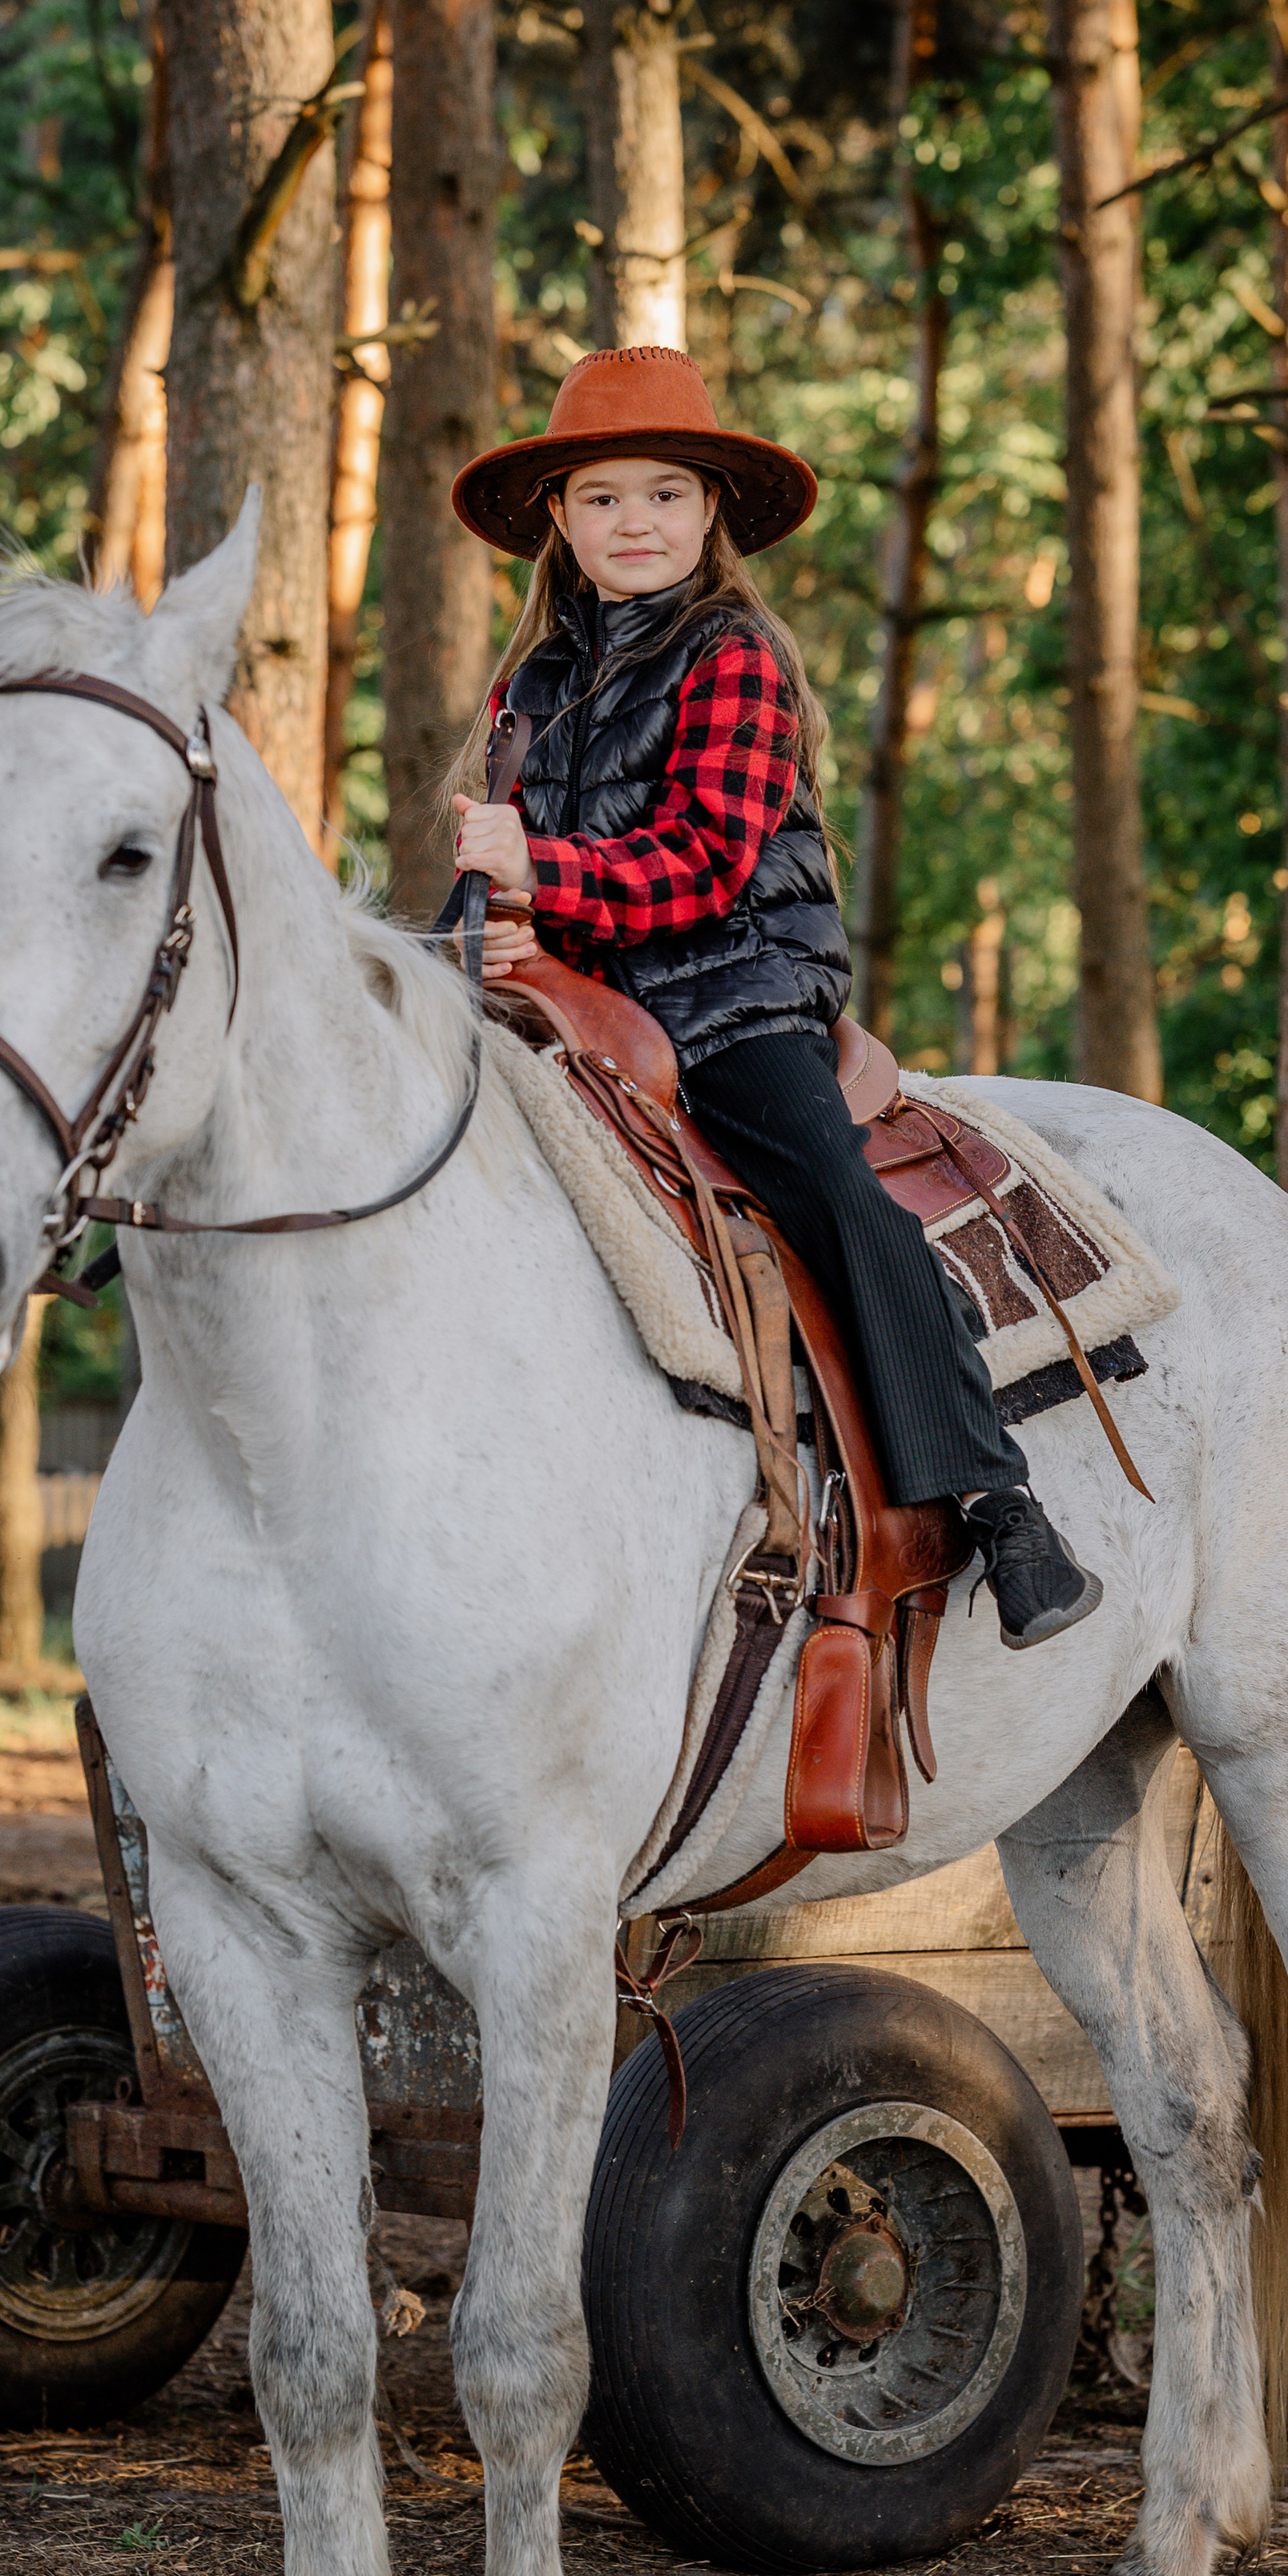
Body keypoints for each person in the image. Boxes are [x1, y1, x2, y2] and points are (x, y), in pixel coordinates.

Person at [446, 347, 1101, 1650]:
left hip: (729, 997)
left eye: (665, 494)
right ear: (561, 521)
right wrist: (478, 938)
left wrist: (541, 869)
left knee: (830, 1188)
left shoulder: (732, 656)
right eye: (603, 498)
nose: (635, 522)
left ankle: (996, 1499)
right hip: (577, 1004)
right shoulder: (529, 688)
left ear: (711, 514)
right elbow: (497, 871)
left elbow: (705, 862)